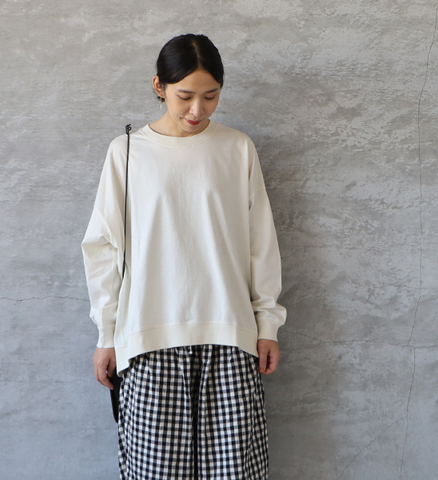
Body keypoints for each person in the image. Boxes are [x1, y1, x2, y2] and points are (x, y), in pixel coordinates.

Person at [81, 33, 286, 480]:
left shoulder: (237, 148)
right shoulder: (127, 152)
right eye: (185, 96)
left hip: (229, 334)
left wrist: (267, 323)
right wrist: (106, 335)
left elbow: (261, 242)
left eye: (210, 96)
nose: (197, 110)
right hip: (147, 337)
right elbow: (102, 250)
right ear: (159, 86)